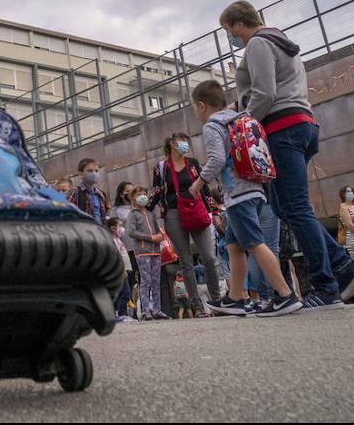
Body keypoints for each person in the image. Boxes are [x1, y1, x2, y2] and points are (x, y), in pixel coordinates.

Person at [219, 1, 354, 311]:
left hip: (281, 127)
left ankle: (326, 287)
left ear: (235, 24)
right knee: (285, 207)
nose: (229, 37)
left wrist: (242, 123)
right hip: (302, 124)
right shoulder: (282, 42)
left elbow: (265, 93)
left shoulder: (258, 43)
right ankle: (343, 266)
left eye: (227, 30)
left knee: (295, 209)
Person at [190, 81, 302, 318]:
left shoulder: (213, 125)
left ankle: (284, 294)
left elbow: (217, 159)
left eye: (194, 108)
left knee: (254, 243)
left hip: (238, 195)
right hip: (256, 187)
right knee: (234, 245)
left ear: (201, 106)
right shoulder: (237, 118)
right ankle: (236, 297)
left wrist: (199, 182)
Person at [151, 133, 221, 316]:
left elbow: (205, 189)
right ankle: (197, 307)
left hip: (197, 210)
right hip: (174, 214)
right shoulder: (161, 168)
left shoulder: (193, 163)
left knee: (209, 258)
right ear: (172, 145)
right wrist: (143, 207)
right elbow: (157, 193)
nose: (185, 145)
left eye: (186, 142)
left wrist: (214, 212)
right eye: (181, 142)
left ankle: (217, 301)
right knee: (186, 262)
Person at [126, 188, 168, 320]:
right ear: (133, 198)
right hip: (142, 252)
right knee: (146, 281)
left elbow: (158, 230)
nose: (142, 196)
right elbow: (131, 232)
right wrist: (150, 238)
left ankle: (157, 309)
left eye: (144, 194)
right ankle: (145, 311)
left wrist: (160, 236)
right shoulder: (132, 214)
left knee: (156, 280)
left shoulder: (150, 213)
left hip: (155, 251)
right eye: (138, 194)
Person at [106, 217, 134, 322]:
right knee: (124, 293)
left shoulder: (118, 240)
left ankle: (117, 314)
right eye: (120, 226)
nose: (123, 228)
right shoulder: (111, 241)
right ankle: (121, 313)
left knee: (121, 293)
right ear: (113, 228)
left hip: (122, 271)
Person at [68, 159, 109, 225]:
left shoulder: (101, 194)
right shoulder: (75, 192)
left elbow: (104, 216)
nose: (94, 174)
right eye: (90, 171)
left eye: (96, 171)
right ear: (80, 174)